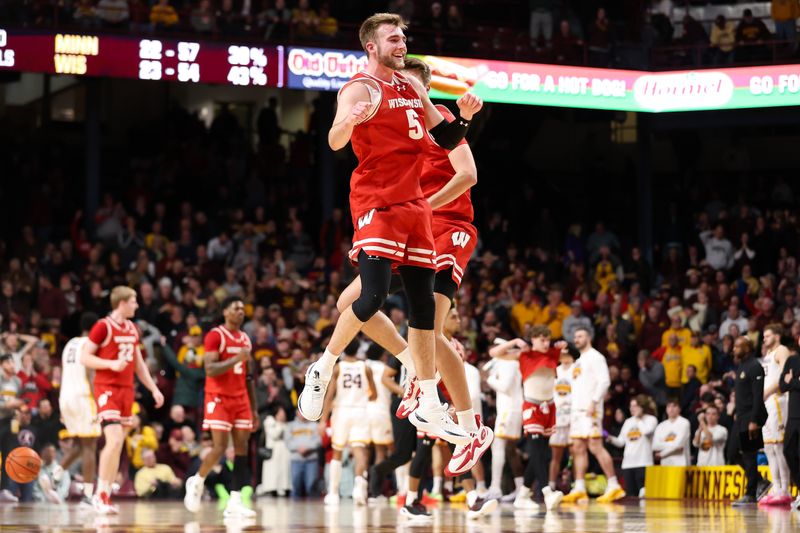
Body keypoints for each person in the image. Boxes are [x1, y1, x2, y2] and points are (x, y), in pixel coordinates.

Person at [298, 13, 482, 451]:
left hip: (416, 207)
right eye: (393, 39)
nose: (401, 44)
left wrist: (466, 117)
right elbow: (335, 140)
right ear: (371, 47)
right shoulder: (360, 88)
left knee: (422, 309)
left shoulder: (413, 87)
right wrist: (350, 121)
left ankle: (431, 403)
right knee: (373, 296)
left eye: (403, 38)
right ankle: (322, 367)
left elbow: (446, 138)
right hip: (377, 201)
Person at [330, 52, 490, 473]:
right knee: (351, 305)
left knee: (432, 328)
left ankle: (472, 426)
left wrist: (421, 205)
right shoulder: (393, 120)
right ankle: (412, 367)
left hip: (448, 224)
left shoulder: (436, 114)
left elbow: (468, 174)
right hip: (408, 224)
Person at [81, 286, 165, 514]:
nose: (137, 305)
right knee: (115, 439)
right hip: (106, 388)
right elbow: (84, 356)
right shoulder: (102, 326)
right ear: (122, 303)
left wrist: (154, 389)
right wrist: (109, 364)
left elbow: (138, 364)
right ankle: (99, 494)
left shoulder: (132, 328)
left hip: (126, 391)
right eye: (134, 301)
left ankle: (104, 495)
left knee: (118, 445)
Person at [184, 297, 259, 518]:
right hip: (218, 397)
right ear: (225, 311)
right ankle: (197, 480)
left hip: (241, 398)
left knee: (242, 448)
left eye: (243, 309)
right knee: (220, 446)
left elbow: (249, 377)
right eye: (236, 308)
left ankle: (235, 501)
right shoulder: (216, 335)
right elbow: (210, 369)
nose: (240, 312)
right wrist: (237, 358)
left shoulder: (245, 339)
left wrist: (254, 409)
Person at [489, 325, 565, 511]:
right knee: (536, 450)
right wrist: (515, 341)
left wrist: (565, 345)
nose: (545, 343)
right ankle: (547, 491)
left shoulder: (553, 353)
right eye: (541, 339)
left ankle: (522, 494)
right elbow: (494, 352)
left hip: (550, 406)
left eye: (547, 339)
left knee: (543, 453)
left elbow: (573, 356)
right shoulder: (523, 354)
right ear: (532, 339)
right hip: (532, 406)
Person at [562, 327, 624, 503]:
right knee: (578, 448)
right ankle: (580, 487)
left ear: (589, 337)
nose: (577, 339)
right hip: (576, 411)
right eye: (575, 337)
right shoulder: (578, 361)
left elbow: (605, 381)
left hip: (591, 409)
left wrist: (594, 402)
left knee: (596, 446)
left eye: (580, 336)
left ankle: (614, 485)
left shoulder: (596, 357)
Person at [319, 339, 377, 506]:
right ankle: (359, 489)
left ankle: (333, 493)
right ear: (358, 350)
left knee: (337, 451)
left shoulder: (338, 367)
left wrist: (323, 420)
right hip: (360, 411)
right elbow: (374, 396)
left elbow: (329, 395)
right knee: (360, 452)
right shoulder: (365, 367)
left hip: (341, 411)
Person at [58, 311, 101, 507]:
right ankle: (88, 495)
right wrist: (99, 402)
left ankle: (56, 472)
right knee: (91, 446)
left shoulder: (69, 345)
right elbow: (90, 374)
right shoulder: (89, 345)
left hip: (66, 397)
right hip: (84, 397)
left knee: (82, 444)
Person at [730, 336, 768, 506]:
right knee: (731, 453)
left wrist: (754, 420)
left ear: (747, 347)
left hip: (751, 416)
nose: (734, 349)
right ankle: (760, 480)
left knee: (749, 456)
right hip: (740, 417)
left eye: (738, 346)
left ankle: (750, 494)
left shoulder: (755, 366)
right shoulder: (741, 367)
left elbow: (758, 397)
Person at [484, 345, 524, 501]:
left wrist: (490, 378)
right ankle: (520, 489)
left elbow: (505, 387)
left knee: (498, 446)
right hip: (512, 409)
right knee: (510, 450)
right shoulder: (507, 363)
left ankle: (495, 488)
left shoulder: (509, 364)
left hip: (509, 410)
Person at [758, 323, 792, 506]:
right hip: (767, 403)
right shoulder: (768, 355)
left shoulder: (782, 351)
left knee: (779, 447)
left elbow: (786, 377)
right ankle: (776, 488)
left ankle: (785, 489)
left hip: (777, 401)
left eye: (768, 335)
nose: (764, 339)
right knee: (769, 447)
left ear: (777, 336)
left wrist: (765, 393)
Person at [607, 395, 657, 497]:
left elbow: (646, 432)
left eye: (635, 406)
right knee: (631, 495)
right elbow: (621, 442)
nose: (632, 408)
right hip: (628, 464)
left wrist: (638, 419)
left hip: (643, 463)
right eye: (631, 406)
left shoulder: (651, 419)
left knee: (644, 494)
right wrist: (610, 438)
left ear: (642, 406)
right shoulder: (628, 422)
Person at [549, 349, 574, 497]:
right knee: (555, 455)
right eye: (562, 354)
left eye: (567, 353)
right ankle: (551, 485)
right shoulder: (554, 370)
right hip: (557, 416)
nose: (564, 356)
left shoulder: (576, 369)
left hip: (572, 414)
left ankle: (575, 484)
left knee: (575, 452)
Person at [779, 333, 800, 510]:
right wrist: (795, 382)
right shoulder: (792, 360)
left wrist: (792, 380)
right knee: (788, 451)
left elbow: (788, 382)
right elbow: (782, 385)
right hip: (793, 414)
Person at [0, 353, 23, 503]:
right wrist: (6, 405)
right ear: (2, 364)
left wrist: (19, 410)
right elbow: (8, 403)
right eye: (9, 362)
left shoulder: (17, 381)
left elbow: (18, 401)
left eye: (13, 362)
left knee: (9, 455)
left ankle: (5, 489)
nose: (12, 365)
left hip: (10, 421)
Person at [365, 344, 394, 466]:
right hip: (381, 412)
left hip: (363, 413)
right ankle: (398, 483)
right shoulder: (385, 369)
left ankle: (363, 482)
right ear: (382, 355)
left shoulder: (362, 366)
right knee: (385, 452)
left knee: (364, 453)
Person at [652, 399, 691, 466]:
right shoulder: (661, 425)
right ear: (666, 409)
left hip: (681, 463)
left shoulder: (684, 422)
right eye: (669, 406)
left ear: (679, 409)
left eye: (674, 406)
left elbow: (679, 445)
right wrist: (673, 445)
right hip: (665, 463)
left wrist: (662, 454)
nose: (671, 409)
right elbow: (655, 446)